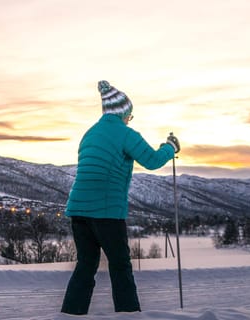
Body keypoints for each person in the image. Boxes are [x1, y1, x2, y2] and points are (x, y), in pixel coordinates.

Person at [61, 80, 180, 315]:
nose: (129, 119)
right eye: (130, 115)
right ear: (123, 112)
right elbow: (153, 160)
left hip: (78, 212)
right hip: (106, 213)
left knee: (86, 265)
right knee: (120, 266)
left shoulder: (89, 134)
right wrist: (170, 147)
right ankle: (129, 314)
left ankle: (70, 314)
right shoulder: (125, 134)